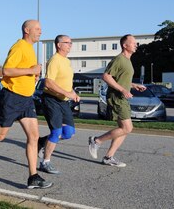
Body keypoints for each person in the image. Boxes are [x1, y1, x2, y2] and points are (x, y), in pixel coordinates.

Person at [0, 20, 53, 189]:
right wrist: (31, 71)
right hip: (12, 97)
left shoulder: (30, 49)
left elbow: (22, 71)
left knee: (34, 136)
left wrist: (32, 76)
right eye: (37, 29)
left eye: (41, 29)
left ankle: (33, 176)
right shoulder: (19, 47)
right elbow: (6, 71)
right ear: (27, 30)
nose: (40, 32)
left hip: (26, 99)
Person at [89, 34, 146, 167]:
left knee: (124, 129)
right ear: (125, 45)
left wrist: (133, 85)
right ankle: (96, 141)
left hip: (122, 97)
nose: (136, 45)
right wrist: (123, 90)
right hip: (117, 97)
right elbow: (106, 76)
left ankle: (109, 157)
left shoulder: (127, 60)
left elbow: (121, 79)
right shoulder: (119, 59)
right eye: (133, 43)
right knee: (127, 128)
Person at [38, 35, 80, 174]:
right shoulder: (55, 60)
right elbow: (48, 82)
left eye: (71, 42)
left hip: (63, 101)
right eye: (67, 42)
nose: (70, 45)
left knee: (68, 133)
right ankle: (45, 162)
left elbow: (66, 83)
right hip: (51, 99)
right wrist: (67, 94)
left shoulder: (66, 61)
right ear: (58, 45)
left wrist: (72, 93)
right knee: (56, 132)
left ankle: (42, 142)